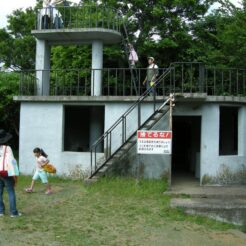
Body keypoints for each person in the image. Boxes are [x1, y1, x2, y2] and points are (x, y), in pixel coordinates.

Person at [0, 129, 22, 217]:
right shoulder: (7, 148)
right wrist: (15, 175)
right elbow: (12, 162)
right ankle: (13, 212)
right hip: (6, 173)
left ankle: (1, 211)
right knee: (10, 191)